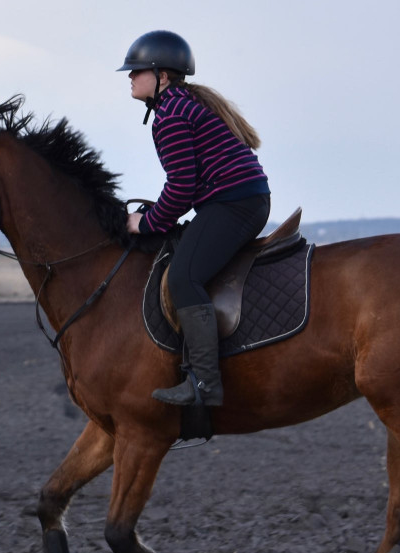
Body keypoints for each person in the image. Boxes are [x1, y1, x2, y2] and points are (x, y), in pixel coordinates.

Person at [119, 30, 271, 407]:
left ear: (163, 76)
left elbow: (182, 186)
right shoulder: (184, 103)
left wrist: (148, 222)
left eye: (138, 70)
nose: (130, 76)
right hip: (241, 200)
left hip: (234, 205)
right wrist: (157, 213)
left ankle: (205, 384)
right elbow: (186, 185)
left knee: (184, 278)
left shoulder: (170, 115)